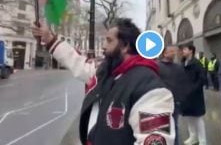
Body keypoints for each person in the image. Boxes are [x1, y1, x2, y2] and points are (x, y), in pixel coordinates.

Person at [32, 18, 175, 145]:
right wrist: (49, 38)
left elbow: (155, 138)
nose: (104, 46)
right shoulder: (108, 72)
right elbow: (77, 62)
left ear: (125, 46)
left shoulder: (150, 88)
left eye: (109, 40)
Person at [158, 46, 190, 145]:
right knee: (162, 127)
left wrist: (182, 98)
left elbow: (183, 83)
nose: (173, 53)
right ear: (164, 54)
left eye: (174, 51)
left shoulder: (178, 67)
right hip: (161, 102)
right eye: (170, 51)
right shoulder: (157, 66)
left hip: (175, 102)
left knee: (174, 126)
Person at [180, 45, 207, 145]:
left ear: (191, 51)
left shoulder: (197, 63)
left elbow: (202, 79)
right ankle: (193, 137)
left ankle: (203, 140)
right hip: (185, 95)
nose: (183, 51)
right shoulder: (183, 63)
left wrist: (193, 89)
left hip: (195, 95)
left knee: (198, 118)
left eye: (185, 49)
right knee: (189, 117)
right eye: (183, 49)